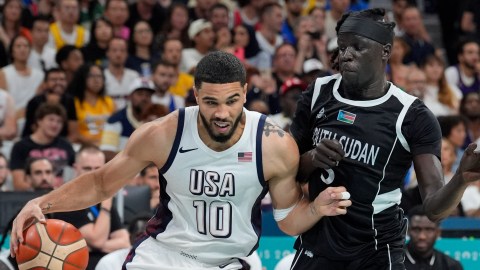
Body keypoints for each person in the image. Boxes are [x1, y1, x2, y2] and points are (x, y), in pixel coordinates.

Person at [10, 51, 352, 269]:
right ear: (195, 95)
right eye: (211, 102)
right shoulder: (162, 134)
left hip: (231, 262)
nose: (222, 113)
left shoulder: (274, 143)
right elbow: (101, 183)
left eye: (232, 101)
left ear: (246, 93)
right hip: (164, 258)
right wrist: (43, 203)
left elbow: (288, 221)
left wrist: (316, 208)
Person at [289, 8, 480, 270]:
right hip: (316, 245)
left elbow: (435, 209)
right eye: (342, 47)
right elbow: (286, 173)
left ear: (385, 52)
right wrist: (312, 158)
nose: (346, 55)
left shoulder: (412, 115)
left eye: (357, 47)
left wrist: (460, 179)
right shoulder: (318, 92)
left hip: (376, 252)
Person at [10, 103, 75, 191]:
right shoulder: (21, 146)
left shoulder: (66, 145)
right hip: (31, 196)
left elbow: (77, 172)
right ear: (39, 121)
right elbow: (18, 184)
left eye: (59, 121)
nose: (55, 125)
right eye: (51, 120)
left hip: (61, 196)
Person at [404, 205, 463, 270]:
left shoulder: (451, 266)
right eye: (416, 229)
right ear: (408, 231)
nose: (422, 236)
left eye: (429, 229)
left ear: (438, 232)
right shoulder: (393, 262)